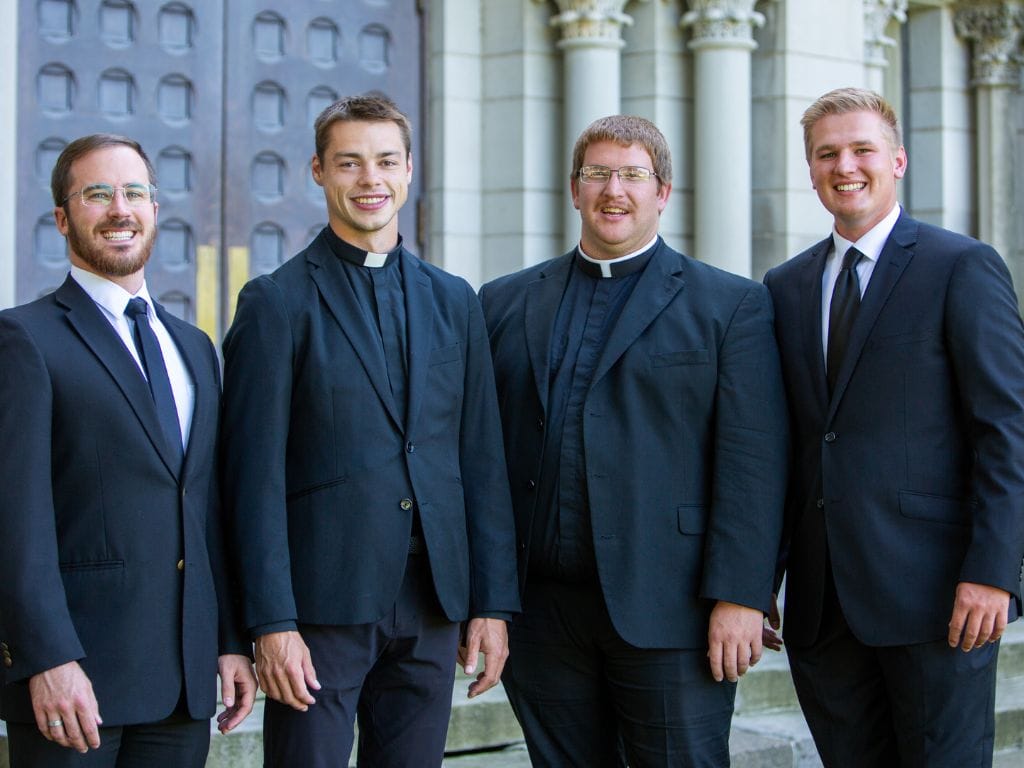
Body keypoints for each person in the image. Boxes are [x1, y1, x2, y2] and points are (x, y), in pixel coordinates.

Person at [478, 114, 788, 767]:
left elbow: (753, 465)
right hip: (541, 617)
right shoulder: (501, 303)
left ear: (662, 192)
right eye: (597, 174)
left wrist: (742, 596)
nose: (612, 190)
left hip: (672, 611)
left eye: (631, 175)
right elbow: (480, 459)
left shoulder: (729, 306)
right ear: (574, 188)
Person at [220, 93, 520, 768]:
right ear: (318, 172)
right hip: (322, 606)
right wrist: (270, 623)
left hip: (433, 605)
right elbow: (252, 478)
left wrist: (492, 603)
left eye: (385, 161)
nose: (370, 179)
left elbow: (481, 462)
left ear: (410, 169)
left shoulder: (455, 299)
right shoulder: (276, 301)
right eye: (349, 163)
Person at [763, 87, 1024, 767]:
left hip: (939, 598)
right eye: (826, 154)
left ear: (898, 159)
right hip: (822, 607)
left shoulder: (960, 266)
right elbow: (779, 446)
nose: (844, 165)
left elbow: (1007, 428)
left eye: (861, 149)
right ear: (811, 169)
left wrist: (996, 571)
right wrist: (755, 575)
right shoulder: (784, 288)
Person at [0, 134, 256, 768]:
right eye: (97, 194)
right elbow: (15, 519)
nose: (120, 209)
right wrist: (48, 659)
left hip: (183, 682)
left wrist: (229, 642)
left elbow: (205, 507)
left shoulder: (195, 347)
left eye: (135, 192)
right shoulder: (23, 339)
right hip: (78, 682)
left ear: (155, 210)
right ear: (63, 218)